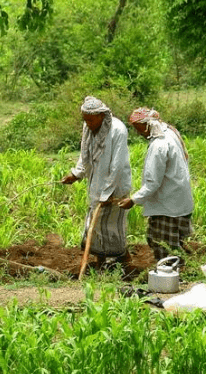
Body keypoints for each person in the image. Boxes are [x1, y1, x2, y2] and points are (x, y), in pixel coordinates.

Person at [62, 96, 132, 266]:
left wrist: (107, 193)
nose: (89, 123)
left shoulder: (117, 130)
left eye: (92, 120)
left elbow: (117, 165)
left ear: (101, 115)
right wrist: (76, 174)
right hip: (96, 185)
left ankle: (121, 260)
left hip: (115, 188)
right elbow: (85, 155)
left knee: (111, 227)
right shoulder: (88, 127)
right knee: (96, 226)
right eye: (85, 119)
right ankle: (100, 261)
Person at [118, 107, 194, 262]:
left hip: (167, 205)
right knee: (178, 242)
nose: (139, 133)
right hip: (180, 199)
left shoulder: (158, 145)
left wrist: (133, 200)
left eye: (139, 129)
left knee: (160, 242)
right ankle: (184, 271)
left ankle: (171, 275)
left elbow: (152, 182)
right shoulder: (171, 133)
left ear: (148, 125)